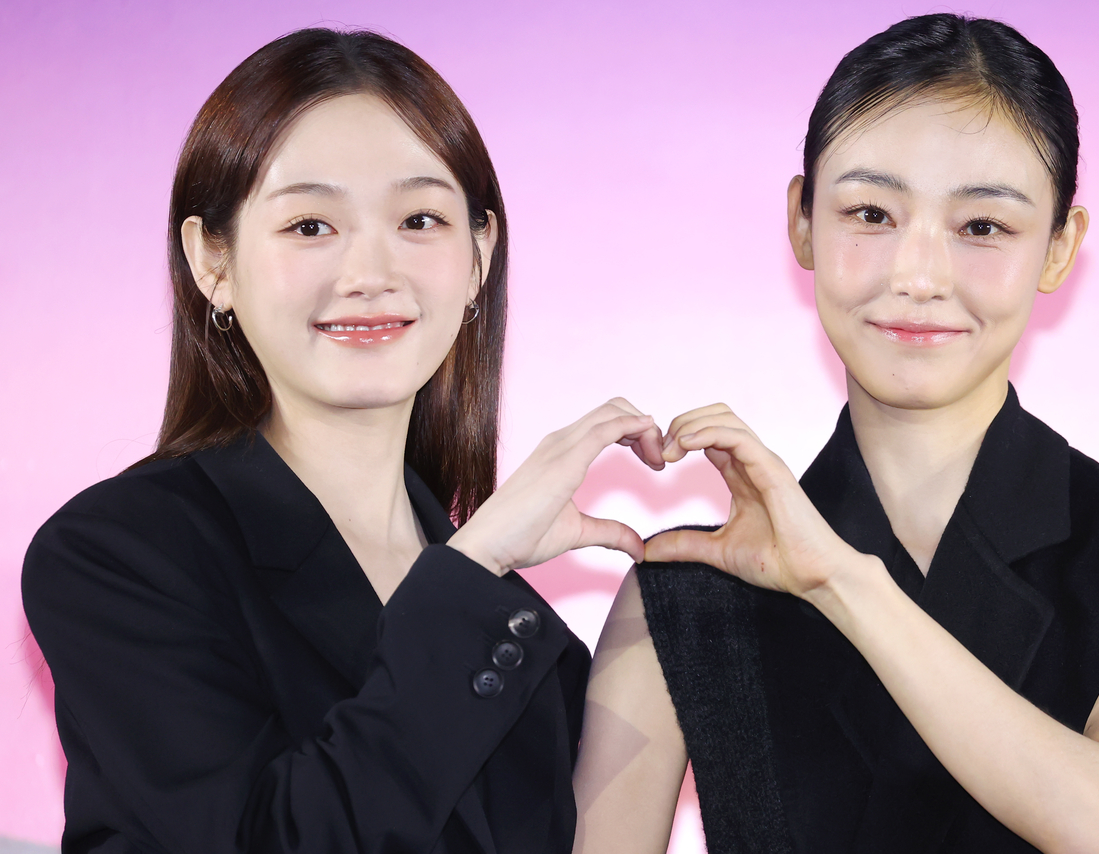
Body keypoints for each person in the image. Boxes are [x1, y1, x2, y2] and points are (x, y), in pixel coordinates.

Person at [573, 14, 1099, 854]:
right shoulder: (683, 598)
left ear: (1059, 247)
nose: (918, 276)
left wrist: (841, 581)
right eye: (871, 212)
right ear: (801, 220)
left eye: (982, 227)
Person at [22, 28, 666, 854]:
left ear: (479, 257)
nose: (371, 270)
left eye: (420, 219)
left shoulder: (516, 636)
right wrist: (472, 571)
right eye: (311, 226)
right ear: (211, 261)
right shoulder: (116, 557)